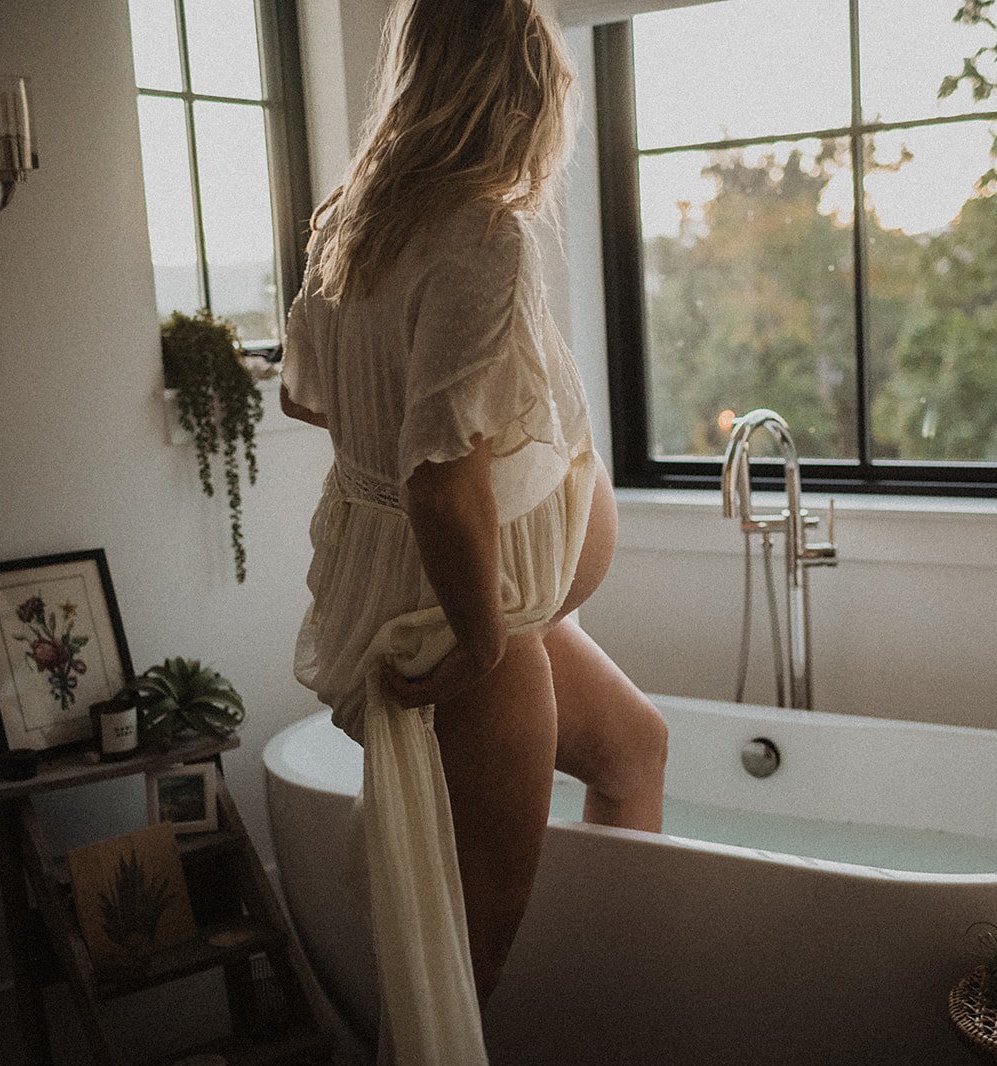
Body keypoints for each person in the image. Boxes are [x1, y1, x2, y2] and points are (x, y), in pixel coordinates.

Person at [277, 0, 668, 1059]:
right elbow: (440, 482)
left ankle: (603, 1019)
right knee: (469, 956)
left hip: (456, 594)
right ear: (523, 91)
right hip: (467, 612)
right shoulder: (479, 232)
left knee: (636, 747)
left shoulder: (350, 220)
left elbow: (306, 400)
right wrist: (485, 637)